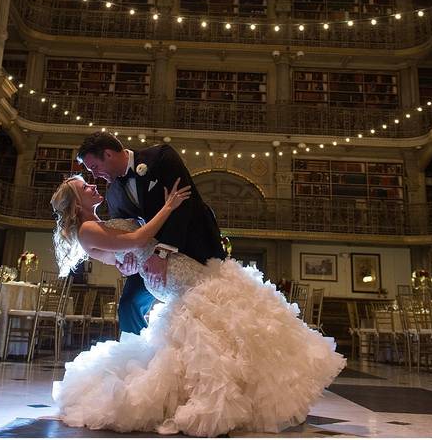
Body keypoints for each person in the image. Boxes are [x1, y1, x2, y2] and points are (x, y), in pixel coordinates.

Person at [49, 175, 346, 437]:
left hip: (169, 268)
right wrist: (169, 206)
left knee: (212, 322)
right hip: (168, 276)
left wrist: (127, 260)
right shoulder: (88, 230)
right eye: (84, 186)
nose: (92, 184)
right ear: (76, 205)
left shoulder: (101, 221)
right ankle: (212, 395)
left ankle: (221, 388)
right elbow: (139, 237)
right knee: (210, 320)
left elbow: (124, 261)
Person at [76, 131, 225, 334]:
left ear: (108, 154)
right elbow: (126, 233)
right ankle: (139, 357)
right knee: (129, 304)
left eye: (94, 167)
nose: (94, 175)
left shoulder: (161, 157)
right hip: (148, 257)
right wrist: (126, 263)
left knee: (214, 302)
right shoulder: (112, 194)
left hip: (193, 240)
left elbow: (184, 202)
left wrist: (162, 252)